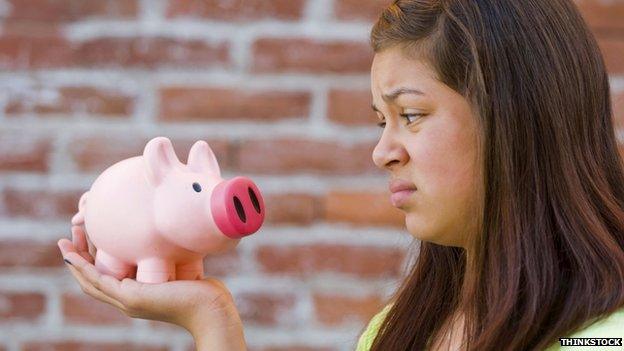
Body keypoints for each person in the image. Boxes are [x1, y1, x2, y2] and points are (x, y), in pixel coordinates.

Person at [57, 0, 624, 350]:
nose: (383, 151)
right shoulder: (397, 331)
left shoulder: (605, 337)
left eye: (413, 116)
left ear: (517, 115)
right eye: (382, 121)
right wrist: (211, 316)